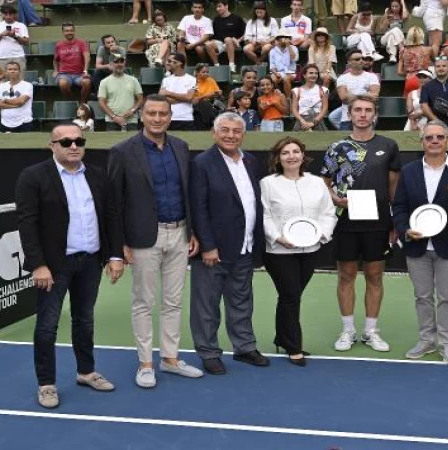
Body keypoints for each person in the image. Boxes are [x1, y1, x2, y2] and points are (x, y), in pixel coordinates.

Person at [16, 122, 123, 409]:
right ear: (52, 146)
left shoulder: (98, 176)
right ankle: (47, 384)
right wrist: (38, 265)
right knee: (47, 326)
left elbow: (111, 217)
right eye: (65, 142)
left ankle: (86, 372)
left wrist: (115, 256)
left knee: (84, 320)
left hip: (90, 261)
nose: (73, 146)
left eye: (78, 141)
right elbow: (27, 224)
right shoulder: (33, 176)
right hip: (54, 266)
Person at [107, 94, 203, 389]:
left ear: (170, 117)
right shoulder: (122, 151)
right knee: (144, 302)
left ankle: (170, 359)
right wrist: (118, 245)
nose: (158, 118)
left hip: (180, 233)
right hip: (143, 237)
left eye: (163, 113)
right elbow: (113, 203)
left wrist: (193, 231)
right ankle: (146, 363)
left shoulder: (181, 147)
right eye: (152, 113)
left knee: (173, 301)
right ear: (142, 116)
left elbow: (188, 193)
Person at [189, 111, 270, 376]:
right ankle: (209, 352)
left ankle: (245, 347)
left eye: (236, 131)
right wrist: (208, 246)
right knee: (206, 305)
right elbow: (198, 208)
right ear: (214, 133)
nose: (230, 135)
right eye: (224, 130)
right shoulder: (202, 163)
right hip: (214, 250)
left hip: (244, 246)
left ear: (243, 134)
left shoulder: (251, 162)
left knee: (241, 301)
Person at [321, 95, 401, 353]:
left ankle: (370, 331)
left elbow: (393, 188)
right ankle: (348, 330)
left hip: (377, 222)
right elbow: (324, 182)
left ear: (375, 114)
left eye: (368, 110)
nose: (363, 114)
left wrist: (393, 221)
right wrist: (335, 198)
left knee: (375, 276)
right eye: (358, 110)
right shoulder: (336, 147)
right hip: (345, 221)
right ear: (350, 114)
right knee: (346, 275)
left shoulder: (389, 146)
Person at [391, 121, 448, 362]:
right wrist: (405, 230)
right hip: (417, 248)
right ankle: (427, 340)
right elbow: (399, 207)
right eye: (429, 138)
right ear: (422, 142)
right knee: (422, 297)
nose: (434, 141)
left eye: (439, 137)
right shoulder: (409, 171)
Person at [261, 137, 337, 366]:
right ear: (278, 157)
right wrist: (277, 237)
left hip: (310, 249)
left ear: (303, 156)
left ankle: (282, 337)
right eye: (285, 152)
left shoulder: (316, 182)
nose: (291, 156)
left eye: (296, 151)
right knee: (291, 295)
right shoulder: (268, 183)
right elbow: (264, 214)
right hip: (278, 251)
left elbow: (328, 212)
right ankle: (294, 346)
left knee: (290, 296)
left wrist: (322, 235)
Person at [335, 49, 380, 130]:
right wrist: (365, 94)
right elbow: (344, 98)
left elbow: (374, 96)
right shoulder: (342, 78)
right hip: (347, 119)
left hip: (367, 119)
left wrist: (351, 94)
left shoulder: (372, 76)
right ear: (349, 62)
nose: (361, 61)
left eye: (362, 58)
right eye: (357, 59)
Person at [98, 54, 144, 132]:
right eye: (116, 62)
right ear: (110, 64)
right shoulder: (104, 82)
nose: (119, 64)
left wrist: (132, 110)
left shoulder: (133, 80)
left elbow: (140, 99)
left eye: (122, 61)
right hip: (112, 121)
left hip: (131, 121)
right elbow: (101, 102)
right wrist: (114, 117)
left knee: (132, 144)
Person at [54, 22, 91, 104]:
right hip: (64, 74)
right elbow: (55, 60)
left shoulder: (81, 43)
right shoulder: (59, 45)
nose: (69, 32)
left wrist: (85, 71)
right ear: (63, 32)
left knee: (87, 82)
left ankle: (82, 104)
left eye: (71, 30)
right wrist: (55, 70)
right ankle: (72, 104)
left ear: (74, 31)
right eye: (67, 31)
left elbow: (87, 57)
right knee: (63, 84)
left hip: (80, 74)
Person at [0, 61, 33, 133]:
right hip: (4, 123)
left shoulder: (27, 85)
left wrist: (4, 100)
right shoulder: (2, 86)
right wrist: (15, 105)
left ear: (19, 71)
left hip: (24, 122)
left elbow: (21, 101)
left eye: (15, 69)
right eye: (10, 69)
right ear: (6, 72)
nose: (12, 71)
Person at [159, 52, 197, 131]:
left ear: (179, 63)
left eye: (170, 61)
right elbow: (162, 98)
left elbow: (189, 97)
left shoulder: (192, 79)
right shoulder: (166, 80)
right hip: (168, 120)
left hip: (187, 119)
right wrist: (184, 98)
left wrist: (168, 93)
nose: (167, 63)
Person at [206, 0, 246, 74]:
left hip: (235, 44)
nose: (217, 9)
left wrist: (238, 40)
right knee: (208, 44)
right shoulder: (216, 20)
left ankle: (232, 66)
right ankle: (217, 66)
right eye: (216, 7)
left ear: (226, 6)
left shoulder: (237, 18)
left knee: (227, 39)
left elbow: (246, 33)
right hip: (221, 43)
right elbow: (213, 36)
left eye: (219, 6)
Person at [0, 5, 29, 73]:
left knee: (19, 81)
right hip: (2, 57)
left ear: (14, 15)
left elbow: (26, 42)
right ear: (2, 15)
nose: (8, 16)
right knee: (3, 81)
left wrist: (14, 36)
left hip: (18, 57)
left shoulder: (21, 25)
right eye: (6, 14)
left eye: (10, 14)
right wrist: (1, 34)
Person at [398, 25, 433, 98]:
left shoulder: (403, 50)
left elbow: (399, 72)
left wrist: (410, 72)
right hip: (424, 79)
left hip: (409, 80)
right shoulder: (428, 50)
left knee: (408, 105)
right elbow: (435, 63)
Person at [291, 64, 329, 131]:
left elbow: (325, 108)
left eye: (316, 73)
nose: (314, 75)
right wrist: (302, 121)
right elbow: (294, 110)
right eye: (311, 73)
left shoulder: (323, 90)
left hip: (318, 120)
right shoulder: (296, 91)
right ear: (304, 75)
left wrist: (314, 122)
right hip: (302, 121)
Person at [243, 1, 278, 66]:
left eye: (261, 12)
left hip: (267, 43)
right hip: (254, 43)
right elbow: (247, 36)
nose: (259, 14)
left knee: (266, 48)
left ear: (265, 11)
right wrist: (251, 41)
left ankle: (257, 63)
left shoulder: (272, 20)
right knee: (246, 49)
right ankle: (259, 63)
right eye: (257, 12)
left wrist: (267, 41)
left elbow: (275, 36)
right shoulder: (251, 21)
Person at [270, 28, 298, 96]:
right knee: (273, 79)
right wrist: (276, 73)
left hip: (290, 72)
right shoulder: (273, 51)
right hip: (278, 72)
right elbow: (272, 66)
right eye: (281, 37)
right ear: (278, 39)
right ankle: (277, 97)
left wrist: (288, 45)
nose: (283, 39)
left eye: (286, 37)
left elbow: (294, 59)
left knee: (286, 79)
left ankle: (288, 99)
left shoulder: (294, 48)